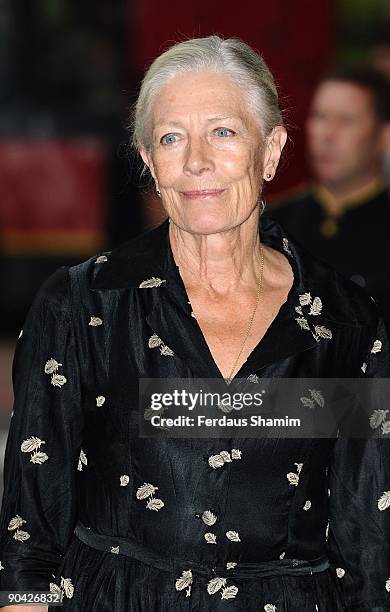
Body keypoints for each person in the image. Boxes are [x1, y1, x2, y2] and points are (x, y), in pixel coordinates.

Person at [0, 35, 389, 612]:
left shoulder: (345, 325)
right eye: (171, 138)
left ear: (273, 149)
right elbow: (28, 540)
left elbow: (368, 544)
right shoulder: (85, 306)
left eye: (224, 132)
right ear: (149, 161)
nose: (197, 161)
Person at [269, 66, 390, 331]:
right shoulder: (272, 224)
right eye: (320, 116)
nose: (327, 134)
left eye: (346, 120)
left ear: (384, 136)